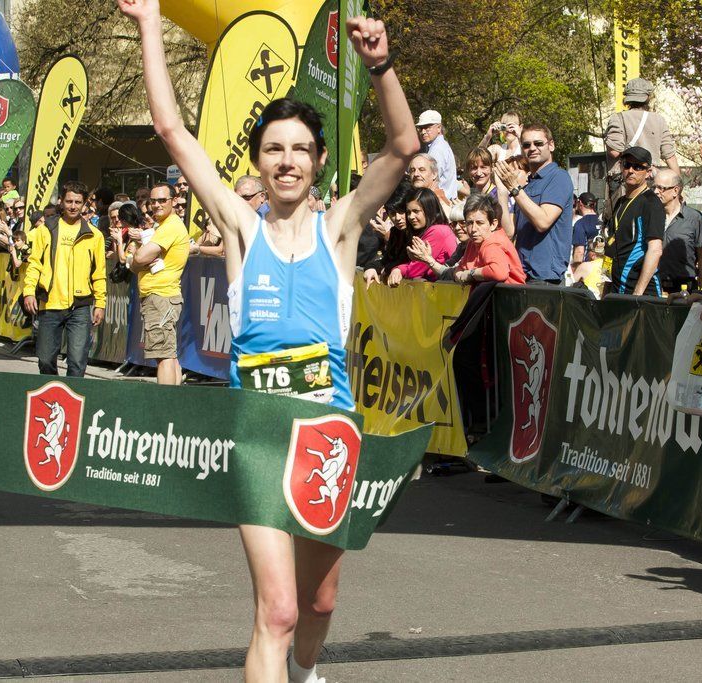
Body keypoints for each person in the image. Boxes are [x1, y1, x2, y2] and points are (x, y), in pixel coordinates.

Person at [121, 2, 419, 680]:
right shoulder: (239, 228)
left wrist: (380, 67)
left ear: (319, 161)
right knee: (277, 610)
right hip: (256, 439)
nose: (287, 162)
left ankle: (307, 672)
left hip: (327, 438)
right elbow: (171, 130)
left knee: (318, 601)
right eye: (274, 149)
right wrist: (149, 24)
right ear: (257, 161)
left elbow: (403, 148)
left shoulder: (340, 228)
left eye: (300, 150)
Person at [22, 180, 106, 377]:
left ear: (84, 204)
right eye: (69, 201)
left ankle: (71, 397)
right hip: (50, 303)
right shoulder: (45, 229)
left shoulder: (94, 235)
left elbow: (99, 273)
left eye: (78, 202)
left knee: (77, 362)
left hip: (80, 306)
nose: (73, 206)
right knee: (45, 360)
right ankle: (53, 391)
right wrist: (29, 292)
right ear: (61, 201)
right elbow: (35, 264)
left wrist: (100, 303)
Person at [494, 124, 574, 283]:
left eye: (538, 143)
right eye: (526, 145)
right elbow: (509, 232)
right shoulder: (527, 185)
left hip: (546, 278)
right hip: (522, 274)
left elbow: (543, 222)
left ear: (551, 145)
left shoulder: (559, 177)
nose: (532, 148)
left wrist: (514, 188)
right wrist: (502, 192)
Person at [128, 182, 190, 386]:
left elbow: (139, 258)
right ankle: (173, 400)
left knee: (163, 356)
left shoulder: (170, 226)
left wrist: (137, 259)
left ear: (174, 200)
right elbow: (137, 263)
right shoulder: (162, 226)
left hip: (161, 296)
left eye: (162, 200)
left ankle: (165, 402)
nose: (156, 205)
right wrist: (137, 260)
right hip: (161, 297)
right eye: (153, 201)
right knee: (168, 354)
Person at [604, 78, 678, 218]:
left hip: (625, 184)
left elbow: (615, 152)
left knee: (621, 223)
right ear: (647, 98)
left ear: (627, 97)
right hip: (651, 183)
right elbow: (670, 156)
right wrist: (677, 186)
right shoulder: (659, 120)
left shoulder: (618, 118)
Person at [604, 147, 664, 296]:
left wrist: (637, 294)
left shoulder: (651, 202)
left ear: (648, 172)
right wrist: (605, 292)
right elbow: (612, 245)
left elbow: (655, 250)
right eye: (627, 165)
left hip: (641, 293)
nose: (631, 170)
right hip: (616, 290)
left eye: (637, 167)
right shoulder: (619, 202)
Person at [451, 193, 526, 285]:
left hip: (508, 293)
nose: (474, 229)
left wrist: (471, 274)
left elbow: (499, 272)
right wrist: (459, 275)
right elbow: (461, 269)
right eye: (469, 223)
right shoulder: (473, 242)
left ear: (493, 224)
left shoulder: (493, 243)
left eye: (480, 223)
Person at [387, 187, 456, 286]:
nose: (411, 217)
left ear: (429, 210)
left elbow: (415, 270)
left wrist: (398, 270)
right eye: (408, 212)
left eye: (416, 211)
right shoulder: (428, 230)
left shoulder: (437, 231)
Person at [654, 169, 702, 294]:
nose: (656, 191)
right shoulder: (651, 217)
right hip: (655, 286)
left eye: (661, 188)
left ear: (675, 190)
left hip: (684, 288)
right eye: (654, 187)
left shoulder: (694, 218)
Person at [416, 109, 458, 200]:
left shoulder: (437, 149)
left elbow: (429, 180)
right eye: (420, 128)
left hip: (440, 202)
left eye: (427, 127)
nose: (423, 132)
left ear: (438, 128)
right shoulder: (438, 146)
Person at [570, 192, 600, 267]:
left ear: (580, 203)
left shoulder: (581, 224)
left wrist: (576, 270)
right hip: (605, 266)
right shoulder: (603, 221)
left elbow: (579, 252)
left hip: (588, 268)